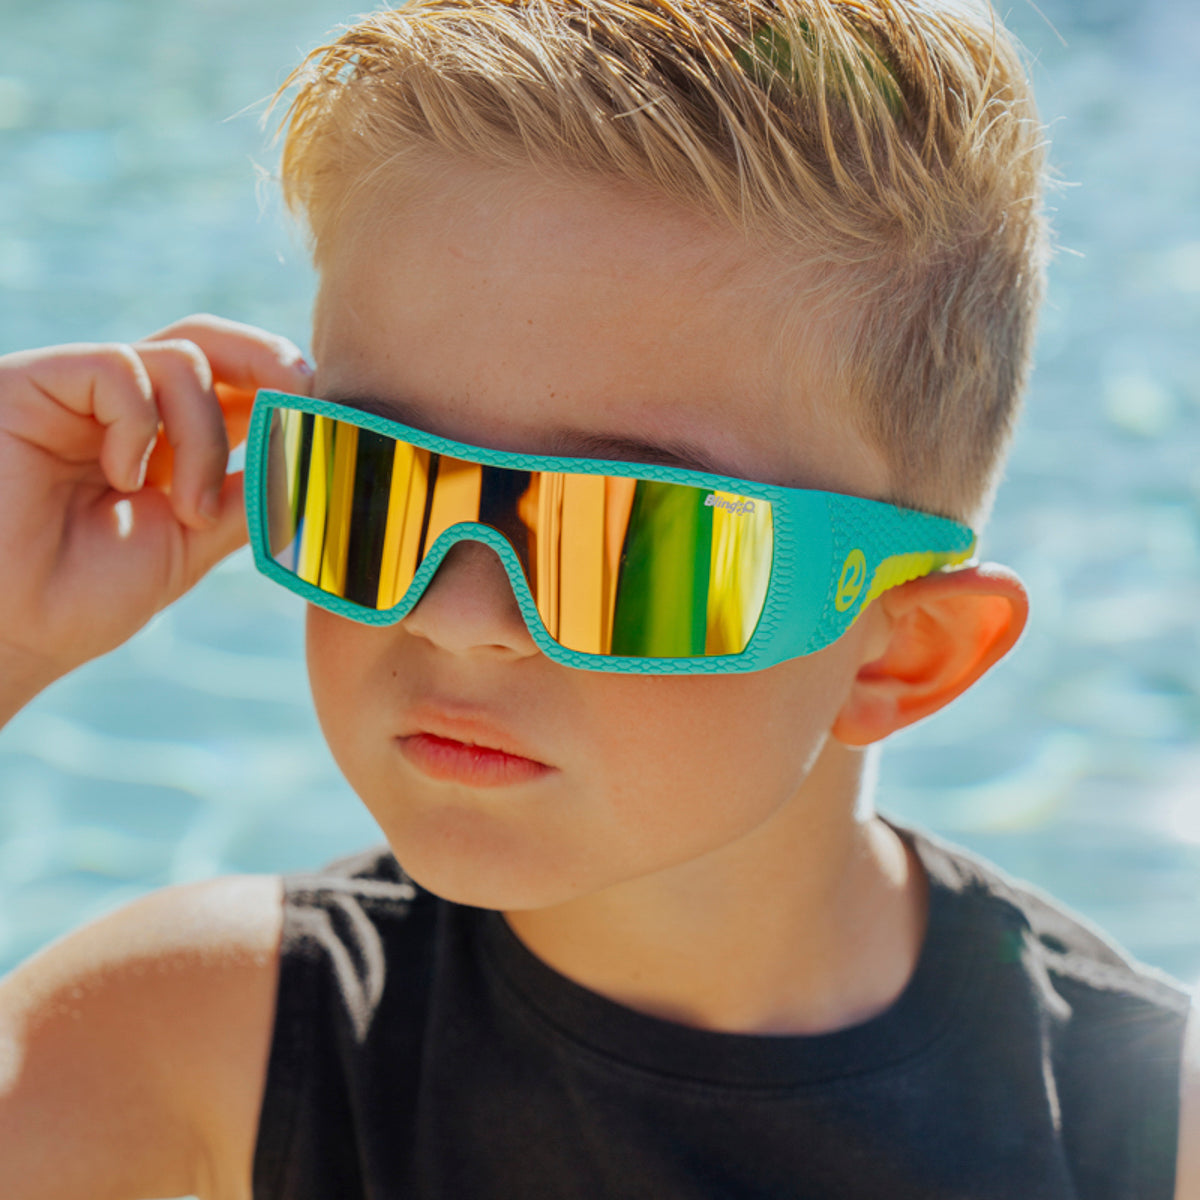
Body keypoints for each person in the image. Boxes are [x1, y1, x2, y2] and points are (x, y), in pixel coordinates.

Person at [0, 0, 1196, 1196]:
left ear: (899, 655)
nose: (457, 615)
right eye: (368, 482)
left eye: (623, 541)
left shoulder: (1144, 1134)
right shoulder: (188, 1045)